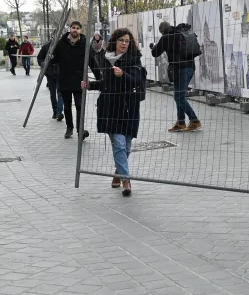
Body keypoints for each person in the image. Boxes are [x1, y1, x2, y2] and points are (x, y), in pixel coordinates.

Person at [82, 28, 146, 196]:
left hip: (129, 108)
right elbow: (106, 84)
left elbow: (137, 81)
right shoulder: (106, 59)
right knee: (118, 144)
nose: (124, 43)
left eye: (127, 41)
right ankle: (126, 180)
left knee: (126, 146)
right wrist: (90, 85)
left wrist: (123, 74)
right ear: (115, 41)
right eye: (121, 40)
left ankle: (118, 173)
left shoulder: (134, 59)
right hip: (111, 108)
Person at [150, 21, 201, 132]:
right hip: (190, 68)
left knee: (179, 97)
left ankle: (194, 120)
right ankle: (181, 122)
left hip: (180, 70)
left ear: (162, 32)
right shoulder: (180, 33)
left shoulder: (166, 37)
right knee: (179, 95)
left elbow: (155, 53)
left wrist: (153, 46)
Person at [51, 21, 95, 140]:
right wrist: (48, 61)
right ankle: (69, 127)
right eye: (73, 28)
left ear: (81, 30)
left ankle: (80, 130)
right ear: (70, 29)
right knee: (67, 106)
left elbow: (92, 62)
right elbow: (53, 59)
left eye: (77, 28)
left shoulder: (85, 45)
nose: (75, 30)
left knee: (79, 106)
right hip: (64, 80)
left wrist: (100, 78)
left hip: (79, 81)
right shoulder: (61, 44)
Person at [37, 38, 64, 121]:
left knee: (60, 92)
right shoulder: (46, 47)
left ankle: (59, 112)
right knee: (52, 93)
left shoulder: (62, 46)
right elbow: (39, 58)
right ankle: (55, 111)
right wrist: (43, 64)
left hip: (60, 73)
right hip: (50, 73)